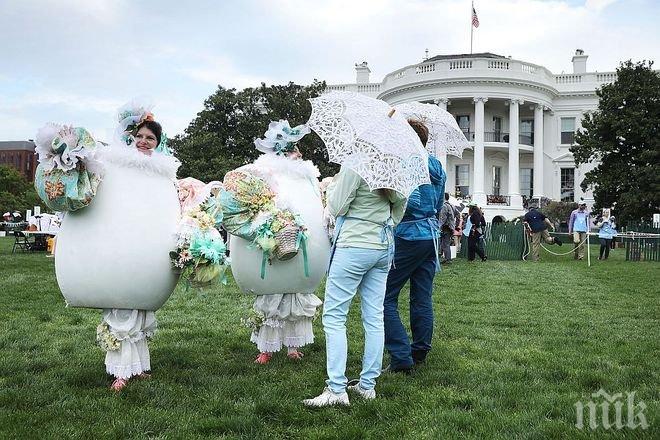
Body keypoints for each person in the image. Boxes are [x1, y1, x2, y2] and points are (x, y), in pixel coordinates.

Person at [303, 165, 407, 407]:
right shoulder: (392, 167)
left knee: (334, 317)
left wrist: (335, 184)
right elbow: (400, 205)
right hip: (382, 246)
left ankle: (337, 389)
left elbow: (337, 206)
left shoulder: (357, 163)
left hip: (354, 246)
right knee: (374, 317)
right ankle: (368, 386)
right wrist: (386, 220)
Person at [101, 117, 165, 391]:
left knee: (140, 307)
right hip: (122, 238)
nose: (143, 142)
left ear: (157, 143)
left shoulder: (161, 171)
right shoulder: (119, 165)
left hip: (149, 241)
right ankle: (120, 371)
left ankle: (137, 367)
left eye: (150, 138)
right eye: (140, 136)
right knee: (122, 306)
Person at [383, 120, 445, 374]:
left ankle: (401, 357)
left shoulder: (409, 161)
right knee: (421, 296)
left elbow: (411, 200)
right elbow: (439, 202)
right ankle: (420, 350)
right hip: (430, 235)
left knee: (384, 297)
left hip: (408, 234)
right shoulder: (436, 164)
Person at [438, 193, 455, 264]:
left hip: (446, 227)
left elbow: (442, 218)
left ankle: (448, 259)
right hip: (449, 227)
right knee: (444, 243)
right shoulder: (451, 205)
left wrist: (439, 226)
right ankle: (446, 258)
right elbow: (457, 214)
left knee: (445, 244)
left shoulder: (444, 206)